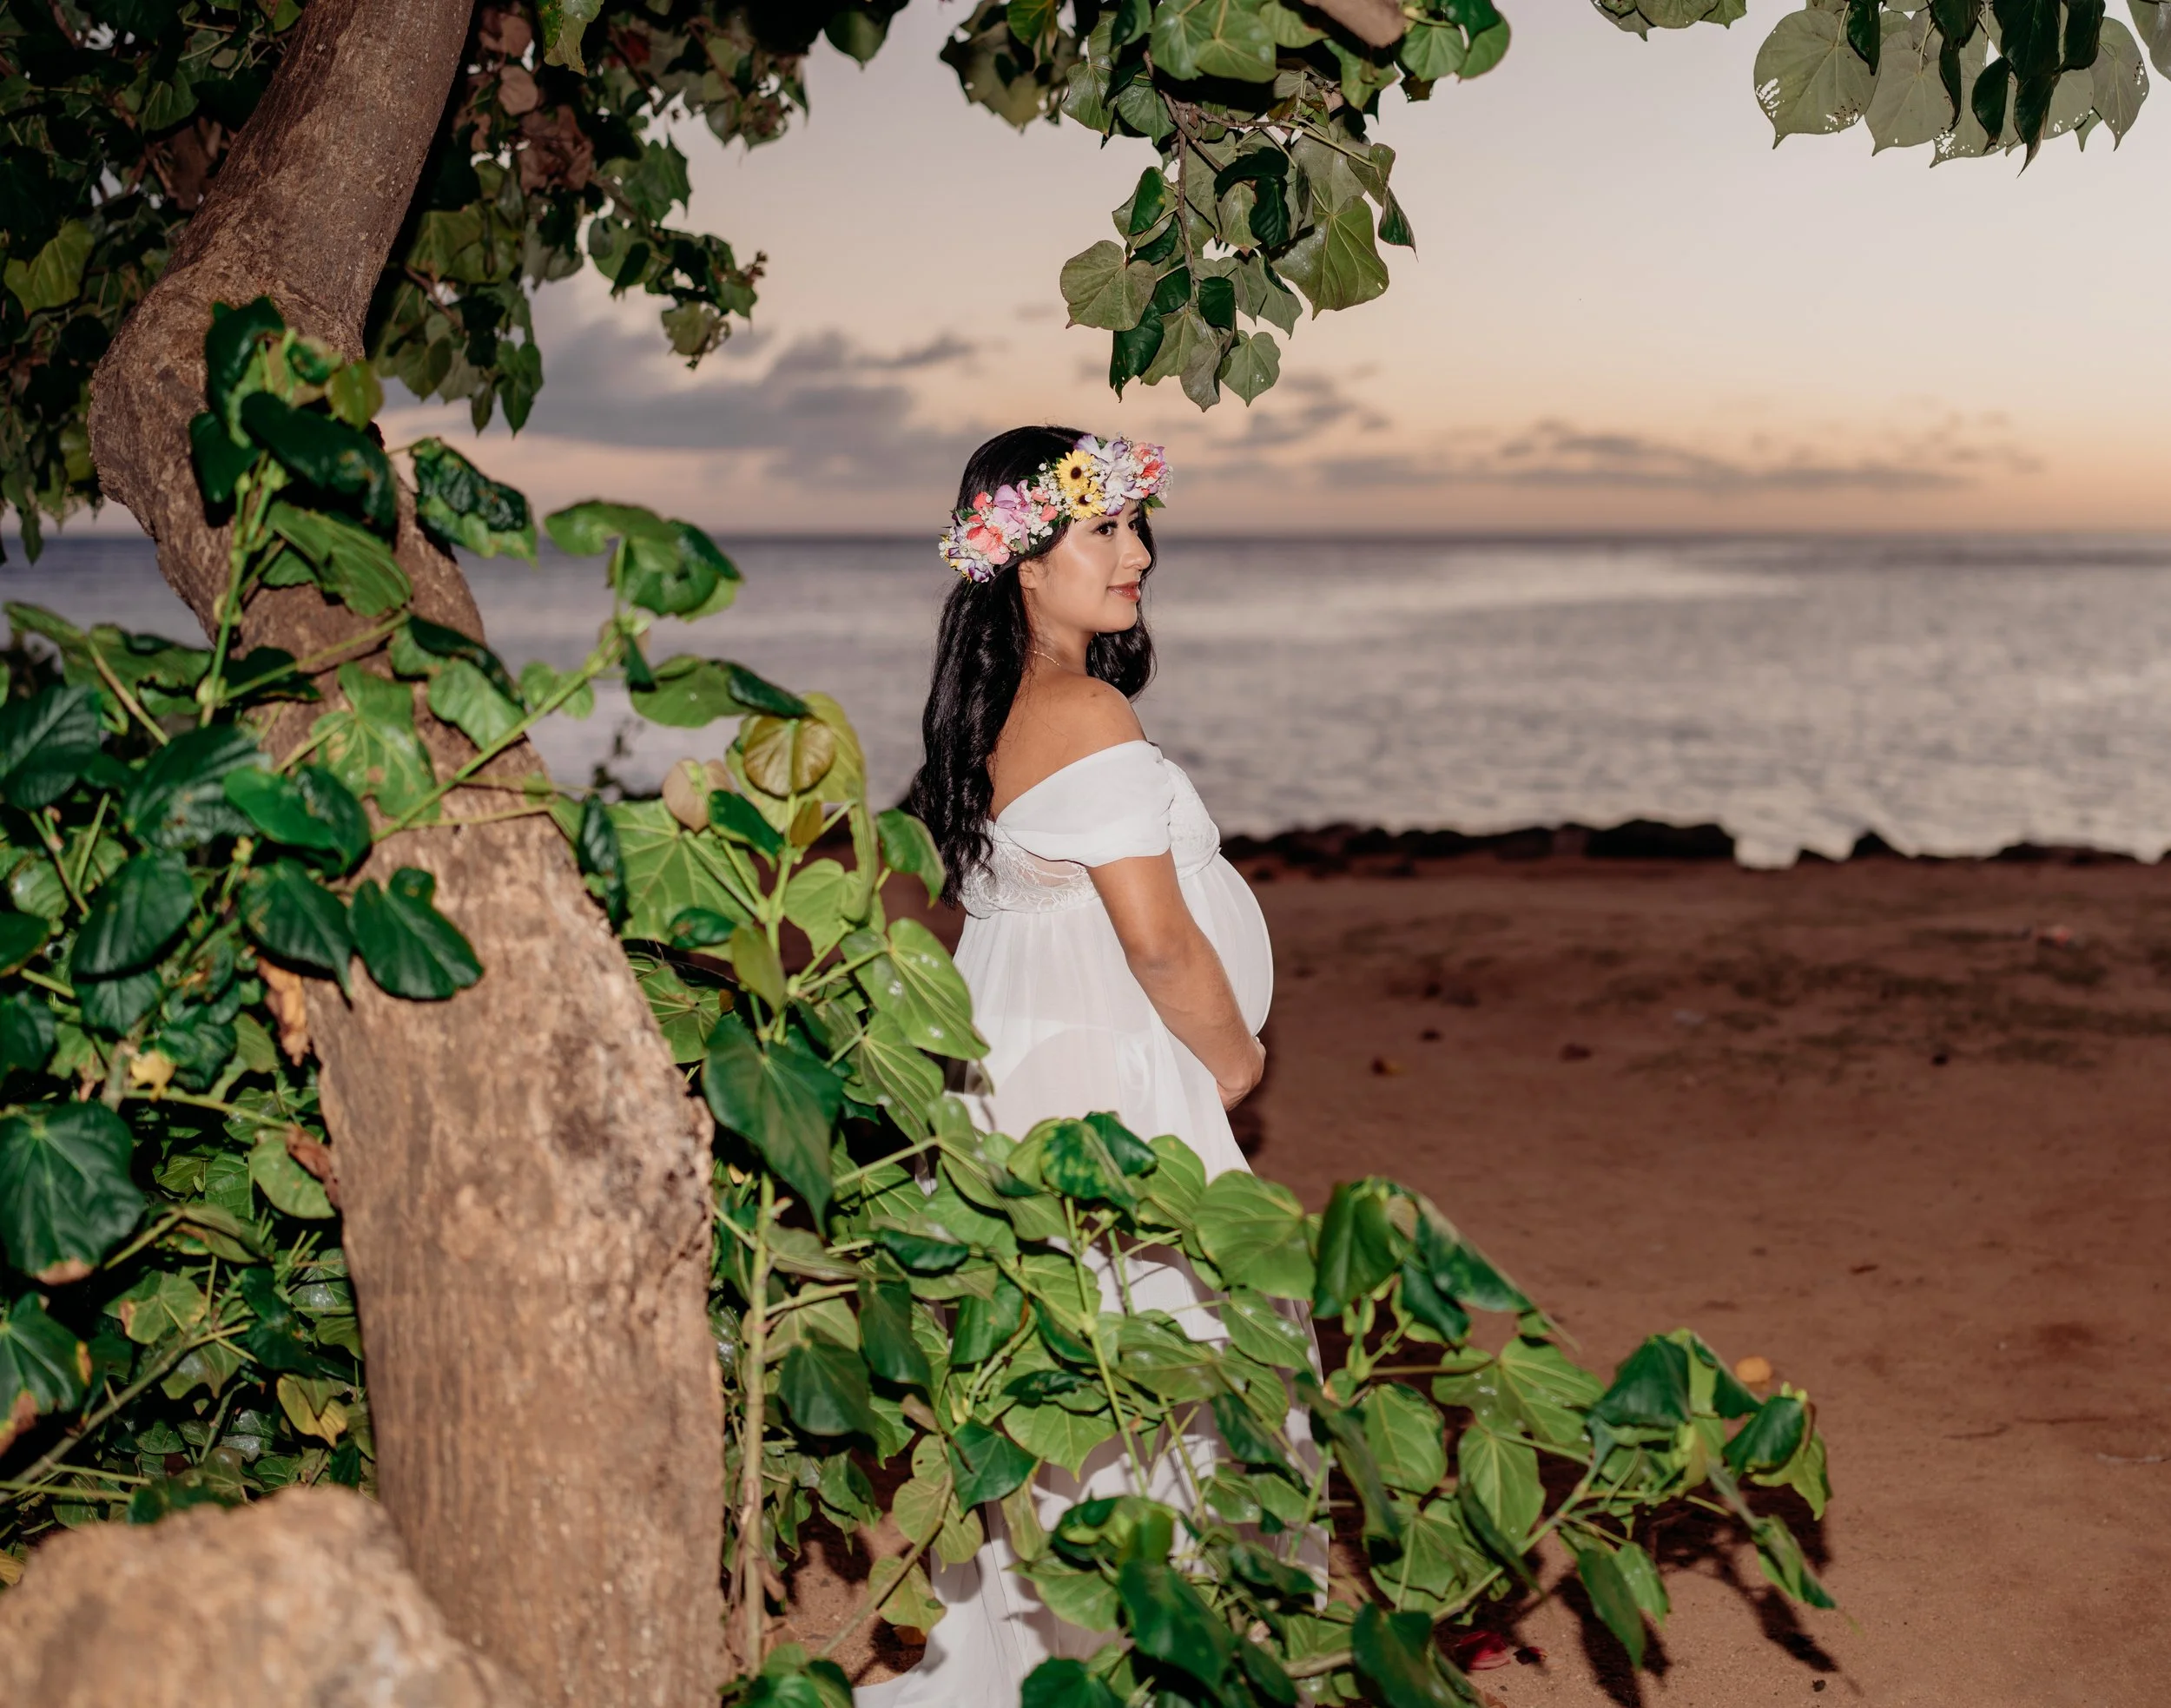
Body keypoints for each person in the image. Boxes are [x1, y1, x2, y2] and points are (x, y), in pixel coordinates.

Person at [856, 426, 1308, 1708]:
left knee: (1077, 1380)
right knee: (1157, 1369)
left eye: (1137, 523)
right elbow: (1159, 941)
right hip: (1106, 1075)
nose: (1139, 552)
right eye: (1103, 529)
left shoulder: (1008, 706)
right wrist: (1233, 1056)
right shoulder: (1082, 705)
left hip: (1033, 1057)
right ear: (1021, 562)